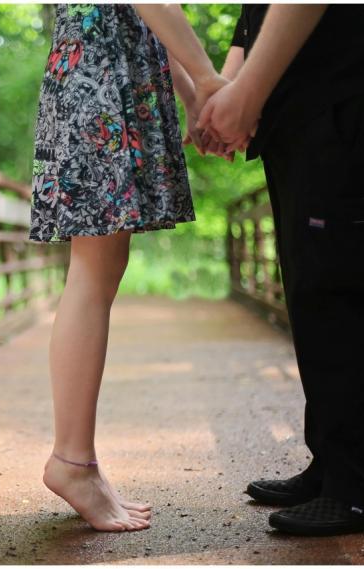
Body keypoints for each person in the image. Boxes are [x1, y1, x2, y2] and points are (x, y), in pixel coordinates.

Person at [196, 4, 364, 536]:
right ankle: (335, 466)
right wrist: (229, 92)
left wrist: (245, 93)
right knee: (315, 293)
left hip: (361, 79)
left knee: (343, 289)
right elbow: (254, 15)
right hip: (305, 101)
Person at [29, 4, 225, 531]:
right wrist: (207, 81)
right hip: (102, 71)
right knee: (93, 269)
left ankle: (77, 461)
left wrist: (193, 93)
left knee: (102, 264)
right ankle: (72, 462)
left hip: (108, 66)